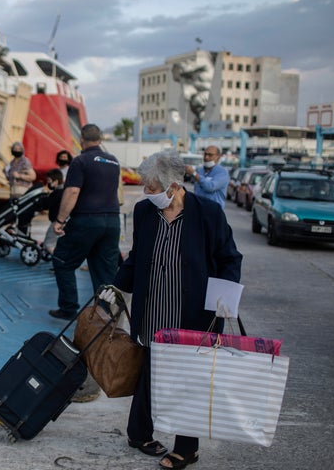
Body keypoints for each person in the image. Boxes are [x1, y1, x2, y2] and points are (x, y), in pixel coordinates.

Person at [112, 150, 242, 469]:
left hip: (193, 314)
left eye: (153, 187)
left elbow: (229, 258)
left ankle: (187, 448)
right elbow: (137, 256)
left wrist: (224, 299)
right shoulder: (144, 212)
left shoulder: (207, 213)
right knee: (150, 369)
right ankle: (139, 432)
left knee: (189, 379)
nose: (147, 192)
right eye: (146, 186)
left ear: (174, 185)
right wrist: (114, 285)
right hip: (153, 308)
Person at [49, 124, 120, 320]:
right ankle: (106, 314)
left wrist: (60, 220)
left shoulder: (81, 161)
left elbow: (72, 191)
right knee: (105, 270)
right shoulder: (113, 161)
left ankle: (68, 307)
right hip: (112, 221)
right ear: (100, 139)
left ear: (81, 139)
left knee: (62, 261)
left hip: (87, 220)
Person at [40, 168, 64, 254]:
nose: (48, 183)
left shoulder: (56, 193)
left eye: (49, 181)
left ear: (56, 181)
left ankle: (59, 262)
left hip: (56, 222)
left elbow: (46, 205)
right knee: (57, 243)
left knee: (48, 244)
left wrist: (44, 194)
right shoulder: (64, 191)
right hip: (64, 221)